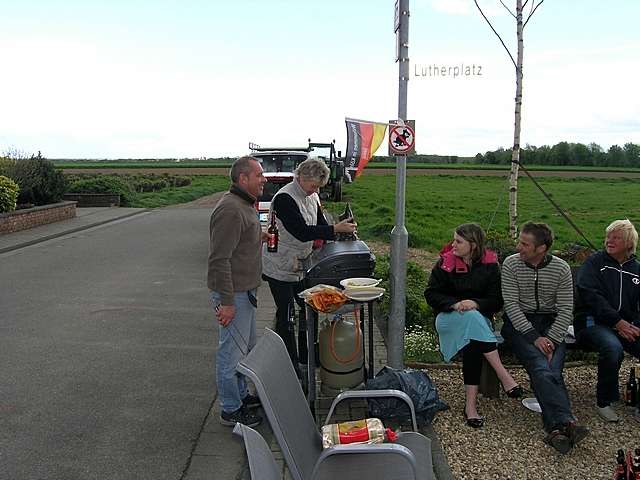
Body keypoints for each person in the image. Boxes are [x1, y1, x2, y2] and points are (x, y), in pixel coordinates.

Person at [262, 158, 357, 377]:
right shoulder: (285, 198)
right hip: (279, 265)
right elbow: (302, 231)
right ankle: (288, 361)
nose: (316, 190)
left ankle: (306, 355)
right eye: (313, 185)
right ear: (302, 177)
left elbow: (321, 225)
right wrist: (334, 229)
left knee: (308, 309)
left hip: (301, 264)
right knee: (286, 316)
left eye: (318, 187)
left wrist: (341, 230)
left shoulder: (311, 195)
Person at [501, 221, 588, 454]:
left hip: (552, 325)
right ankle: (568, 421)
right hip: (519, 325)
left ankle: (556, 430)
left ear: (541, 248)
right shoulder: (511, 264)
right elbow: (511, 305)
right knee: (542, 366)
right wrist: (535, 338)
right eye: (520, 241)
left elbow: (566, 309)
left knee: (551, 368)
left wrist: (552, 338)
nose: (519, 247)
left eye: (524, 244)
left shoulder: (560, 269)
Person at [424, 223, 522, 429]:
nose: (453, 245)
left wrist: (476, 304)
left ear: (474, 245)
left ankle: (470, 407)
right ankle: (504, 377)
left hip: (479, 323)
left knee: (473, 341)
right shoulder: (445, 263)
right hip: (448, 318)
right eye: (454, 239)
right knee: (473, 320)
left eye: (459, 241)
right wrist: (455, 304)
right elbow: (431, 294)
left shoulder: (491, 265)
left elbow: (496, 300)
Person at [208, 156, 267, 427]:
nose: (264, 179)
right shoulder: (231, 209)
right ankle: (230, 409)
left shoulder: (244, 205)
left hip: (246, 292)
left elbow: (240, 243)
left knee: (244, 350)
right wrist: (228, 302)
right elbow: (220, 259)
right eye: (259, 175)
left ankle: (241, 396)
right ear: (243, 179)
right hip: (235, 295)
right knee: (231, 353)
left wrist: (261, 236)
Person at [574, 219, 640, 423]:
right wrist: (617, 322)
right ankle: (605, 401)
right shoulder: (595, 263)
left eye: (616, 237)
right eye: (608, 236)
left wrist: (635, 326)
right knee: (612, 348)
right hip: (593, 323)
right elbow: (590, 296)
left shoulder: (636, 270)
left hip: (626, 327)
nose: (609, 240)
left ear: (629, 243)